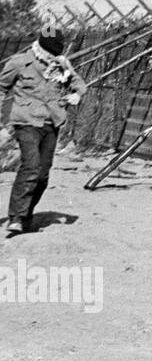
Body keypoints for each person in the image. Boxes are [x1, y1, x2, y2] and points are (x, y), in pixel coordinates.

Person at [1, 22, 86, 234]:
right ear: (41, 46)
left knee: (42, 175)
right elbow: (1, 87)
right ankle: (16, 217)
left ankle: (26, 215)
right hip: (26, 121)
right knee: (31, 165)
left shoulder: (61, 65)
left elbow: (80, 86)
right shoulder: (20, 62)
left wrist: (76, 92)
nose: (52, 55)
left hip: (51, 123)